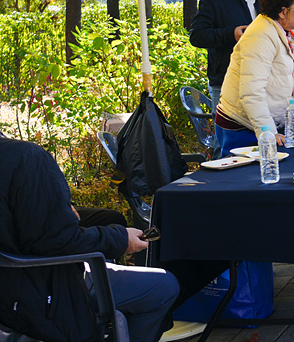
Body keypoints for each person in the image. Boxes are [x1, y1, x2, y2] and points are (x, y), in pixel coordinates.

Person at [0, 136, 179, 342]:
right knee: (164, 286)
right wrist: (121, 240)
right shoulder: (27, 158)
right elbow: (58, 242)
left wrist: (63, 208)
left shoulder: (15, 159)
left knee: (110, 218)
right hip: (34, 293)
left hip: (14, 278)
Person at [215, 0, 294, 150]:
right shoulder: (260, 36)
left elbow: (292, 85)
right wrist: (269, 134)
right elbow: (251, 92)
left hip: (262, 122)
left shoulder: (289, 33)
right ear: (283, 12)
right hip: (241, 125)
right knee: (241, 175)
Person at [189, 0, 266, 117]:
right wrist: (230, 34)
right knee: (225, 138)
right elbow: (197, 36)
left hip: (264, 79)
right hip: (226, 80)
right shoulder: (214, 0)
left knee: (262, 133)